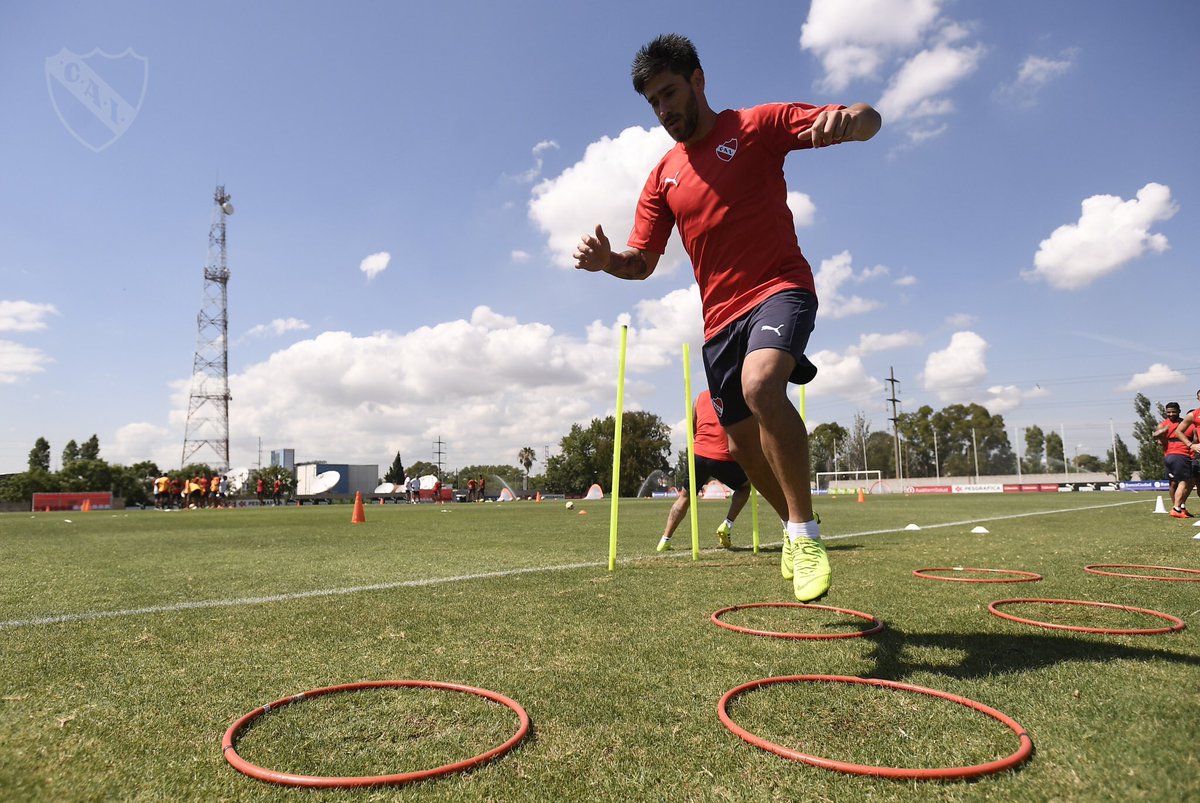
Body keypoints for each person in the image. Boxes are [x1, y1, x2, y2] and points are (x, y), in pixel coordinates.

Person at [574, 34, 879, 602]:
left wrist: (849, 123)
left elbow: (866, 116)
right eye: (653, 103)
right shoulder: (662, 175)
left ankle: (806, 535)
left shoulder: (756, 126)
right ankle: (792, 528)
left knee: (762, 385)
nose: (664, 110)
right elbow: (641, 262)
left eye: (669, 93)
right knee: (740, 447)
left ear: (698, 80)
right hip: (718, 324)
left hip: (780, 288)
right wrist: (605, 262)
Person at [657, 389, 752, 552]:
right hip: (723, 455)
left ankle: (665, 540)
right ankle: (727, 525)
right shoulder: (737, 393)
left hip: (699, 453)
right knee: (745, 487)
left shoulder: (700, 397)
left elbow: (694, 427)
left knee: (684, 497)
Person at [1154, 402, 1194, 518]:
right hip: (1171, 456)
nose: (1171, 414)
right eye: (1168, 412)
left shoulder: (1185, 424)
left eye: (1173, 412)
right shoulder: (1162, 425)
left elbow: (1194, 437)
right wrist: (1159, 436)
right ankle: (1176, 508)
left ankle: (1179, 507)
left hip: (1183, 455)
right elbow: (1157, 439)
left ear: (1179, 411)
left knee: (1185, 482)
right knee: (1175, 483)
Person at [1168, 395, 1200, 516]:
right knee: (1187, 482)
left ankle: (1178, 507)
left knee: (1188, 482)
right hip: (1192, 457)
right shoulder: (1193, 415)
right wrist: (1191, 445)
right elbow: (1178, 431)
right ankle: (1178, 507)